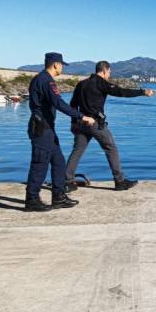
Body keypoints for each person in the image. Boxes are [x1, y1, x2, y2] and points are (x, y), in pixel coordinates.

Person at [65, 61, 155, 192]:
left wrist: (74, 122)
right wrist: (142, 92)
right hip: (95, 123)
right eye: (109, 72)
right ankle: (120, 181)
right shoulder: (101, 83)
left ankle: (67, 181)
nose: (109, 75)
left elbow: (73, 105)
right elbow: (121, 92)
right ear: (104, 71)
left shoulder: (81, 84)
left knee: (77, 150)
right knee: (111, 148)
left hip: (81, 123)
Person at [25, 53, 95, 212]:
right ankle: (32, 199)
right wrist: (81, 116)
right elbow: (58, 103)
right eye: (61, 64)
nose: (62, 67)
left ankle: (58, 196)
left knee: (59, 162)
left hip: (47, 128)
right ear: (55, 64)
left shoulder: (42, 79)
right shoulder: (45, 80)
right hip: (41, 128)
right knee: (40, 164)